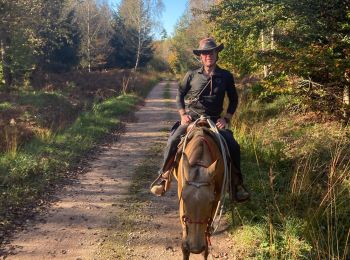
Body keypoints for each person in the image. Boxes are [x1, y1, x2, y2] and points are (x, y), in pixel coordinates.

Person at [151, 37, 249, 202]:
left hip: (214, 120)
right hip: (193, 118)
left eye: (211, 52)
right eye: (204, 53)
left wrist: (226, 119)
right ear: (200, 56)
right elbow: (179, 95)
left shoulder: (225, 76)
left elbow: (234, 100)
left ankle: (237, 183)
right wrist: (183, 114)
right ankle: (164, 176)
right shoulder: (191, 75)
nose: (208, 56)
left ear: (217, 54)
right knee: (174, 139)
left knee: (233, 145)